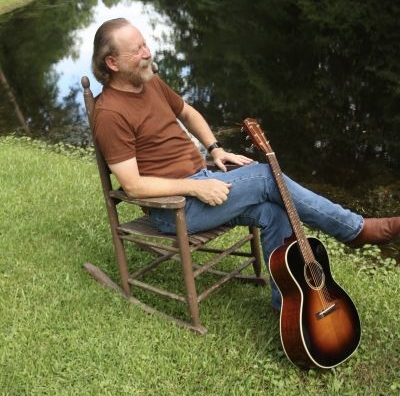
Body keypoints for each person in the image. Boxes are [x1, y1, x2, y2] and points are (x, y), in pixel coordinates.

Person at [91, 17, 400, 310]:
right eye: (137, 51)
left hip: (200, 181)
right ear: (112, 63)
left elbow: (187, 112)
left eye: (145, 44)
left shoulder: (150, 82)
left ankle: (287, 304)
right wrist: (195, 188)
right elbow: (133, 186)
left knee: (273, 211)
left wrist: (215, 149)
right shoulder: (110, 114)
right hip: (173, 209)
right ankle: (355, 230)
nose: (147, 53)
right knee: (265, 177)